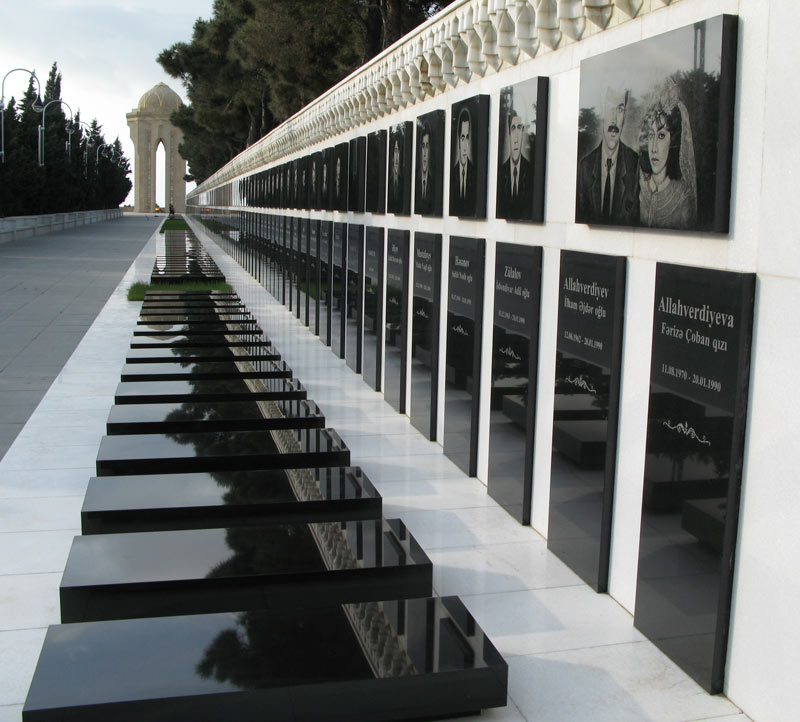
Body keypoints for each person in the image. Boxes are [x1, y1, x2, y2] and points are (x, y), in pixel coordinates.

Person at [576, 88, 639, 226]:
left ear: (624, 116)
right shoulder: (585, 167)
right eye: (610, 108)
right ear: (602, 112)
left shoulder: (635, 165)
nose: (614, 120)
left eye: (620, 110)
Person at [638, 84, 697, 230]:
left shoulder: (682, 197)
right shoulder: (639, 189)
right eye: (651, 136)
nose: (654, 148)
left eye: (661, 136)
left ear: (673, 142)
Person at [497, 108, 532, 220]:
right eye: (513, 129)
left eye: (519, 128)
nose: (516, 139)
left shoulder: (531, 171)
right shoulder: (501, 172)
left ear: (523, 132)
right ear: (508, 133)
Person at [450, 106, 476, 216]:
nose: (465, 145)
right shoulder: (453, 173)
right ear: (458, 140)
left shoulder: (474, 173)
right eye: (462, 138)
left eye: (467, 137)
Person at [416, 118, 435, 215]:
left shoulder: (433, 182)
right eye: (423, 146)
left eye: (427, 146)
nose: (424, 152)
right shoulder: (416, 182)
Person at [389, 136, 403, 212]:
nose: (397, 156)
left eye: (399, 152)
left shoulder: (403, 182)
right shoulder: (388, 181)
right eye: (395, 151)